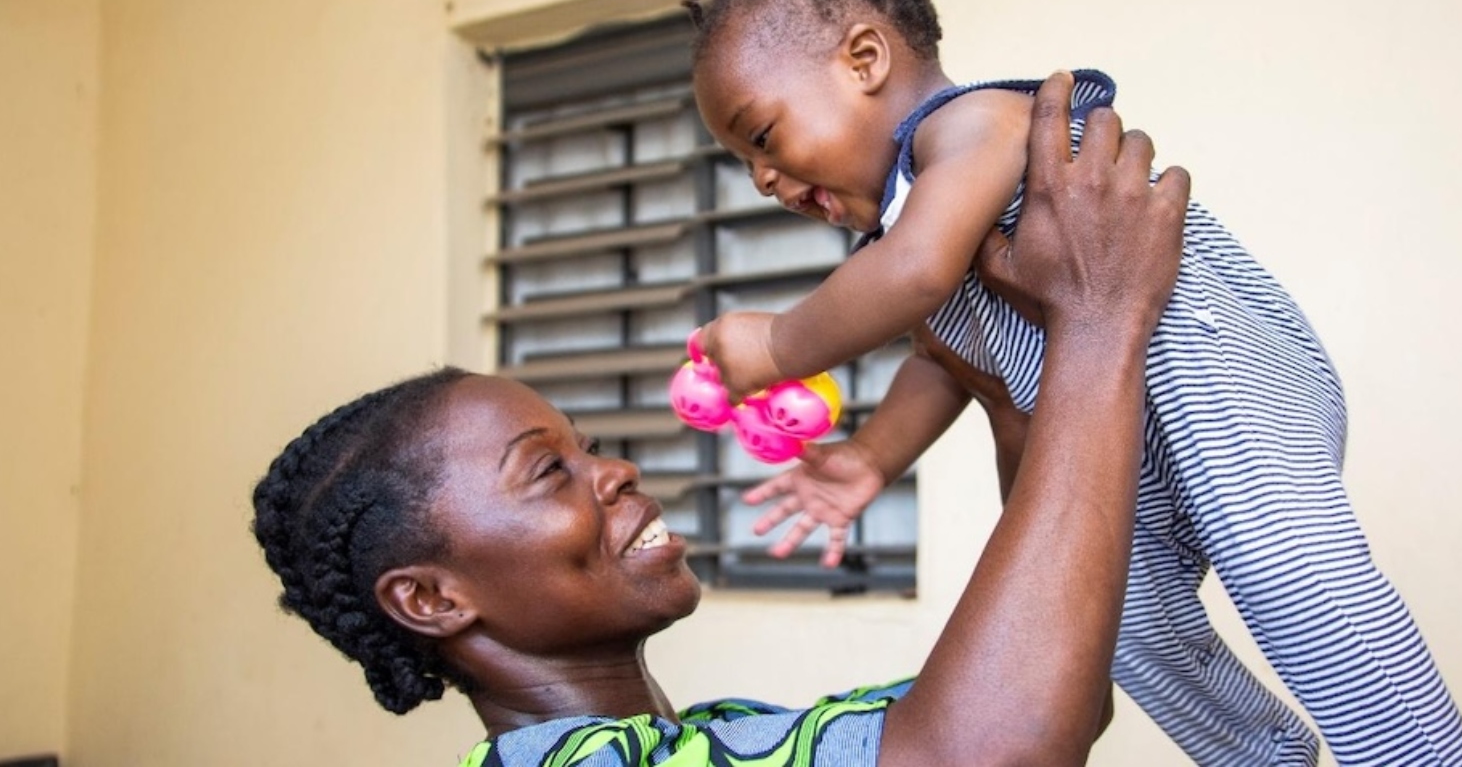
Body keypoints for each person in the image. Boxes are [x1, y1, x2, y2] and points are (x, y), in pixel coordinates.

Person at [683, 0, 1462, 766]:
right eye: (746, 163)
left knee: (1293, 582)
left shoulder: (976, 128)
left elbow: (911, 277)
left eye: (763, 135)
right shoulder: (913, 229)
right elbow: (943, 364)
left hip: (1215, 379)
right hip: (1115, 434)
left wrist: (776, 344)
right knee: (1121, 625)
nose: (763, 178)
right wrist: (872, 458)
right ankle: (1263, 755)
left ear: (865, 57)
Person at [251, 76, 1186, 766]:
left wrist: (1003, 387)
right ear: (432, 598)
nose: (612, 469)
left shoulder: (722, 738)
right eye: (548, 471)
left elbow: (1055, 696)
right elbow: (993, 749)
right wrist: (1097, 331)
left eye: (582, 447)